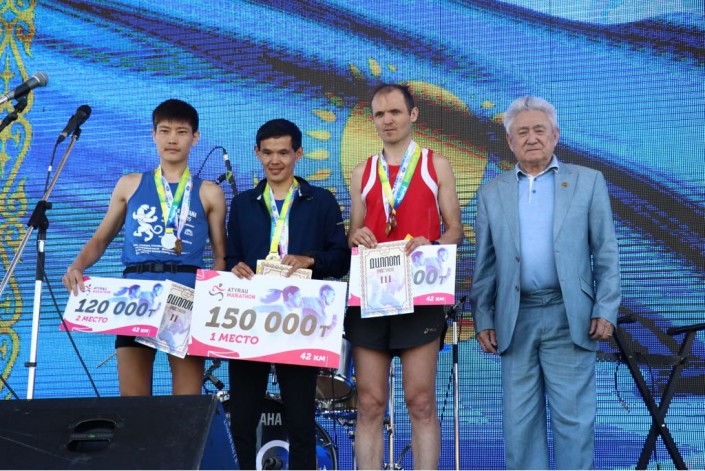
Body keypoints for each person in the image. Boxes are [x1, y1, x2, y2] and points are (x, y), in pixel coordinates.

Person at [470, 96, 621, 469]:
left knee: (574, 421)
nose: (532, 138)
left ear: (556, 136)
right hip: (515, 317)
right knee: (519, 425)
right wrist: (483, 317)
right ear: (510, 142)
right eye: (522, 132)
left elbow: (605, 251)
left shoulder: (587, 182)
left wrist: (606, 308)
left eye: (540, 130)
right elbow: (485, 264)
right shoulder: (491, 192)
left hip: (569, 314)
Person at [62, 99, 227, 396]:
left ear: (195, 137)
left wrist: (210, 299)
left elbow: (221, 257)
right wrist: (77, 266)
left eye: (181, 132)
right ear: (153, 135)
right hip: (135, 295)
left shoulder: (209, 192)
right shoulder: (130, 184)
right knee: (133, 404)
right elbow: (101, 238)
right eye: (164, 131)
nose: (172, 139)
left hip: (185, 295)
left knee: (186, 404)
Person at [346, 83, 464, 469]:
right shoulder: (363, 172)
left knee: (421, 401)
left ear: (413, 115)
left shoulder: (435, 165)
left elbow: (456, 230)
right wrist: (356, 236)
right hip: (372, 296)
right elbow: (354, 232)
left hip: (420, 294)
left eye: (395, 112)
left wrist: (433, 242)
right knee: (369, 402)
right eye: (380, 114)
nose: (387, 120)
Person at [225, 118, 350, 470]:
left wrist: (310, 259)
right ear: (257, 153)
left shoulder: (320, 201)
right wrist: (235, 268)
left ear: (299, 154)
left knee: (300, 419)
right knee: (242, 419)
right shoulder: (244, 203)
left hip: (299, 320)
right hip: (251, 320)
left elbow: (341, 259)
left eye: (283, 152)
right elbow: (231, 258)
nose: (275, 160)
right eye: (267, 153)